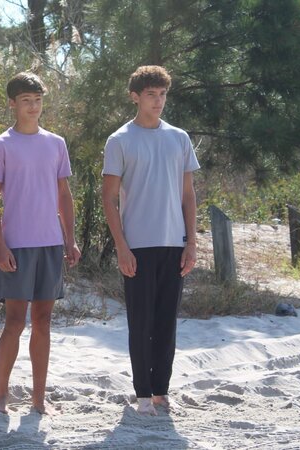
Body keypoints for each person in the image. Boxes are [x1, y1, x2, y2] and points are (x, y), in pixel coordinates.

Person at [100, 65, 200, 416]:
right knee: (141, 323)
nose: (158, 101)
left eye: (163, 94)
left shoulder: (179, 138)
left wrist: (191, 243)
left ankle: (161, 392)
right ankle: (143, 394)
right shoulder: (120, 140)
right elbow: (109, 198)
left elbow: (188, 195)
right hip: (137, 246)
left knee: (166, 323)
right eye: (151, 95)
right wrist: (121, 247)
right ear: (135, 97)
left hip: (174, 243)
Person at [0, 72, 81, 415]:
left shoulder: (56, 143)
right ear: (12, 103)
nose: (33, 107)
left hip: (50, 244)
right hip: (17, 246)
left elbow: (64, 195)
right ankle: (0, 396)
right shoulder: (1, 145)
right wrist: (0, 246)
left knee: (43, 321)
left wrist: (70, 239)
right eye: (26, 100)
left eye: (38, 100)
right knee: (14, 322)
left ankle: (39, 400)